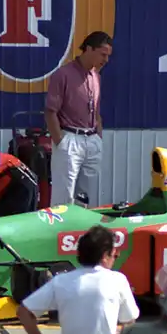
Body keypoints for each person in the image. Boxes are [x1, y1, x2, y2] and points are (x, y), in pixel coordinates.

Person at [45, 31, 112, 208]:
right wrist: (60, 141)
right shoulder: (63, 74)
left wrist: (98, 135)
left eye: (108, 56)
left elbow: (96, 109)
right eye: (102, 54)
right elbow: (50, 111)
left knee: (85, 197)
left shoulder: (96, 76)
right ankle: (58, 233)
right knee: (64, 196)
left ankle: (80, 233)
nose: (105, 60)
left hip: (91, 140)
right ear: (89, 49)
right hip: (70, 138)